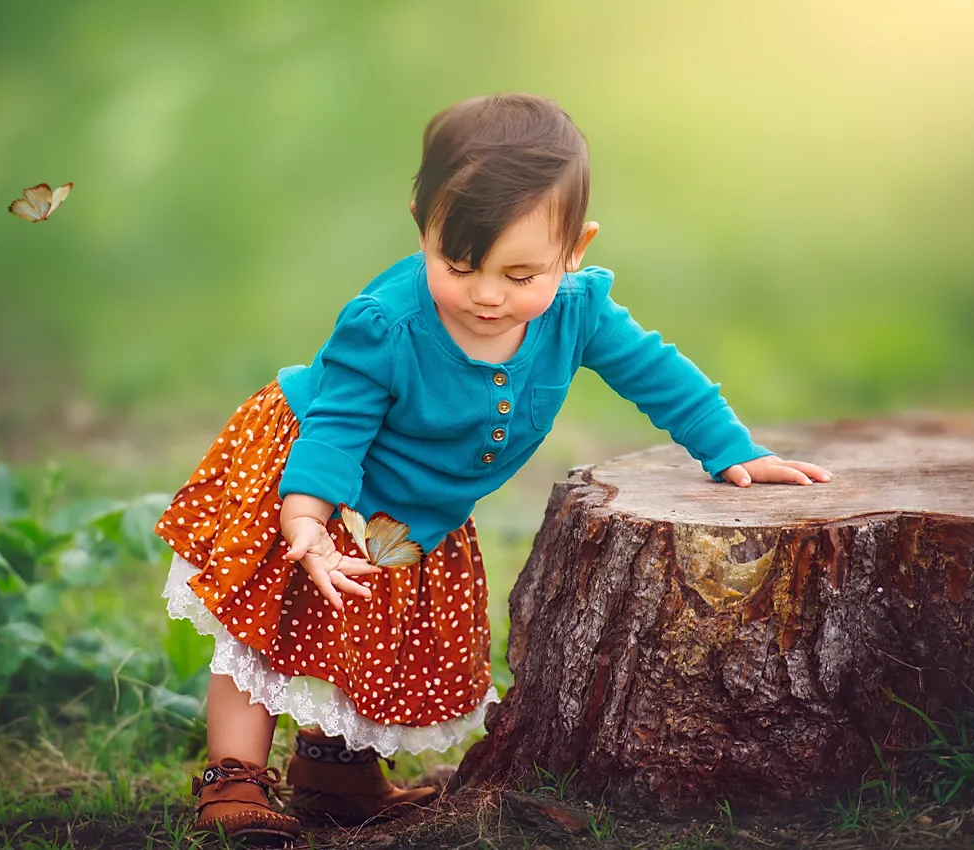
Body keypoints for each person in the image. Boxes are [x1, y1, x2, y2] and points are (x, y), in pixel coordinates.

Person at [156, 93, 832, 844]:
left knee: (374, 623)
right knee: (268, 625)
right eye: (460, 264)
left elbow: (655, 371)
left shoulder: (577, 310)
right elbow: (339, 421)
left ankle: (335, 770)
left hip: (408, 511)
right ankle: (234, 776)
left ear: (575, 248)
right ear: (422, 221)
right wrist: (305, 517)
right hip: (311, 472)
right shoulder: (385, 322)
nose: (486, 295)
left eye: (519, 275)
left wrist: (731, 447)